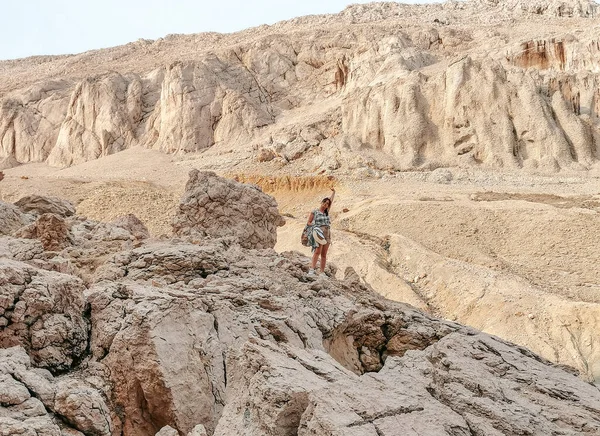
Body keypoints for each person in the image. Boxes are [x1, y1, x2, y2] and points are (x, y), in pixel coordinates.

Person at [306, 188, 335, 276]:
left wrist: (334, 192)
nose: (326, 205)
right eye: (324, 203)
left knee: (324, 254)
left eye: (327, 204)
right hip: (319, 232)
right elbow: (309, 222)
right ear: (321, 202)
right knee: (317, 251)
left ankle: (321, 272)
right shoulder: (315, 212)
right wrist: (314, 226)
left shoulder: (327, 212)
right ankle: (311, 270)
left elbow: (331, 201)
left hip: (327, 233)